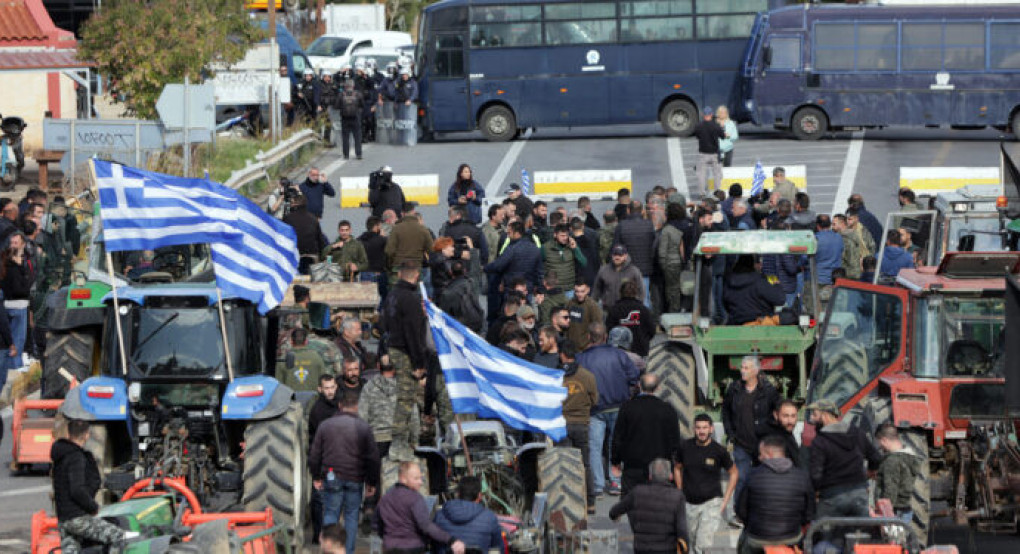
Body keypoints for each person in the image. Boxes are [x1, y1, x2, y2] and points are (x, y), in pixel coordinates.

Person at [310, 393, 380, 554]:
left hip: (331, 476)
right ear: (358, 406)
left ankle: (329, 551)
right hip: (355, 478)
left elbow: (315, 455)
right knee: (351, 516)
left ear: (340, 405)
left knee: (330, 514)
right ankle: (347, 552)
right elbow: (373, 458)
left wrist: (316, 476)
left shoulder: (325, 425)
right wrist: (371, 482)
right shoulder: (363, 427)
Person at [577, 323, 639, 497]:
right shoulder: (619, 355)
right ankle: (615, 481)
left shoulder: (581, 358)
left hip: (595, 409)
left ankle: (597, 485)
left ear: (589, 337)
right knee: (616, 446)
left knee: (594, 448)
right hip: (619, 408)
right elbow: (634, 377)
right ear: (605, 337)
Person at [52, 419, 130, 553]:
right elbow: (77, 490)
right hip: (78, 518)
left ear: (69, 433)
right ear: (87, 435)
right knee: (120, 537)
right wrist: (93, 507)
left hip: (64, 519)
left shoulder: (60, 455)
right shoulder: (76, 457)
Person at [736, 435, 815, 554]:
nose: (759, 457)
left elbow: (741, 511)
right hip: (791, 538)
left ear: (769, 454)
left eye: (761, 454)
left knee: (743, 543)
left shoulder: (753, 475)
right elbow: (809, 513)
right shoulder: (801, 476)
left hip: (758, 538)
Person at [721, 356, 780, 513]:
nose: (742, 371)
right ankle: (739, 511)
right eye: (742, 367)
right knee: (741, 478)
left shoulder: (768, 391)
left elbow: (779, 412)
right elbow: (725, 411)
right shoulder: (734, 389)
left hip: (762, 444)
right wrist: (730, 432)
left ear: (756, 370)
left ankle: (762, 509)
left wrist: (771, 432)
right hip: (741, 444)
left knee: (763, 478)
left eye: (746, 368)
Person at [807, 399, 883, 518]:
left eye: (815, 415)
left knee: (822, 532)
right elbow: (876, 458)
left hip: (832, 498)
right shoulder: (857, 433)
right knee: (862, 533)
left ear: (825, 415)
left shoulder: (819, 442)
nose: (811, 419)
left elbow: (815, 476)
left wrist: (816, 492)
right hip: (859, 495)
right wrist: (869, 472)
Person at [676, 414, 737, 554]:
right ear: (694, 429)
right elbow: (677, 468)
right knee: (691, 542)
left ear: (711, 429)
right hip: (689, 503)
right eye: (698, 428)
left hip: (712, 503)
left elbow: (734, 473)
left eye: (705, 428)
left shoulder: (719, 451)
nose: (701, 431)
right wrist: (680, 491)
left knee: (702, 544)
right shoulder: (685, 447)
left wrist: (725, 501)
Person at [611, 374, 681, 495]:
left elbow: (618, 437)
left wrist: (616, 460)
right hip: (660, 466)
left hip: (633, 465)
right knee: (658, 500)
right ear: (658, 388)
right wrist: (675, 465)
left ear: (639, 386)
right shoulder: (667, 409)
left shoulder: (628, 407)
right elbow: (675, 440)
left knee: (631, 501)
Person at [375, 461, 467, 554]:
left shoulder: (385, 498)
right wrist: (451, 540)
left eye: (420, 478)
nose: (420, 482)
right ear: (403, 478)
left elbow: (377, 524)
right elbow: (426, 526)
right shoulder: (415, 498)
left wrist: (389, 538)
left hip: (390, 547)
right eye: (416, 478)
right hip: (413, 547)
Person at [609, 458, 690, 554]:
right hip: (667, 549)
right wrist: (685, 549)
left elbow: (614, 512)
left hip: (642, 549)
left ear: (650, 476)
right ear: (670, 476)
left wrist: (615, 516)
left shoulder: (637, 492)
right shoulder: (677, 497)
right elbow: (682, 529)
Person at [556, 342, 598, 513]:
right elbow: (595, 400)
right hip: (582, 424)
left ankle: (567, 501)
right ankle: (590, 502)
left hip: (562, 424)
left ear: (563, 356)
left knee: (564, 464)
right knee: (585, 464)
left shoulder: (557, 376)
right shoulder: (588, 376)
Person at [433, 476, 503, 552]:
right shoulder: (490, 518)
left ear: (458, 494)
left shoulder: (439, 516)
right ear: (479, 496)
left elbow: (433, 544)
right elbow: (498, 547)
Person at [875, 423, 919, 524]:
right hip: (905, 510)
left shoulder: (892, 461)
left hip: (894, 513)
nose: (880, 446)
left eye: (879, 442)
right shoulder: (910, 457)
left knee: (891, 539)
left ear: (884, 440)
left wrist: (882, 513)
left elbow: (890, 491)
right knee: (902, 538)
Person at [723, 255, 785, 325]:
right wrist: (776, 284)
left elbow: (726, 304)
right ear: (755, 264)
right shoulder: (759, 281)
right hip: (759, 324)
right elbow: (780, 299)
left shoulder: (729, 282)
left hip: (736, 323)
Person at [613, 202, 656, 305]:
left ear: (628, 210)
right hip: (645, 268)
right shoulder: (649, 225)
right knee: (644, 298)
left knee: (625, 297)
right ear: (642, 211)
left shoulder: (621, 226)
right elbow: (654, 245)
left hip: (626, 268)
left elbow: (615, 248)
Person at [360, 359, 403, 459]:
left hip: (376, 438)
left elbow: (362, 415)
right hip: (399, 438)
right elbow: (412, 414)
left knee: (377, 471)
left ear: (378, 366)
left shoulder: (369, 387)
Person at [484, 220, 543, 292]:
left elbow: (498, 265)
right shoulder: (535, 248)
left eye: (509, 233)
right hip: (528, 288)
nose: (508, 236)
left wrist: (485, 268)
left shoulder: (512, 248)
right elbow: (539, 272)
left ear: (517, 233)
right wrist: (539, 289)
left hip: (513, 287)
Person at [385, 203, 433, 283]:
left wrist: (391, 266)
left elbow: (389, 251)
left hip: (398, 268)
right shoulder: (423, 229)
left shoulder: (396, 229)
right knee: (414, 293)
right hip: (416, 268)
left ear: (402, 213)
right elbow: (431, 250)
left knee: (396, 293)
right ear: (414, 212)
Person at [606, 280, 656, 357]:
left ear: (620, 293)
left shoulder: (614, 310)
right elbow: (652, 330)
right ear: (636, 293)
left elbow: (609, 331)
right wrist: (643, 340)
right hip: (640, 352)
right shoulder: (644, 310)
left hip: (619, 353)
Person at [593, 245, 644, 314]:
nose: (617, 257)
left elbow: (641, 291)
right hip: (608, 310)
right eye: (615, 254)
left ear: (625, 256)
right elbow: (596, 290)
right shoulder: (603, 270)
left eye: (620, 255)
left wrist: (637, 307)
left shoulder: (634, 271)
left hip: (627, 311)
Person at [283, 195, 326, 275]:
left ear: (294, 204)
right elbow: (320, 240)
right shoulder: (313, 218)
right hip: (312, 255)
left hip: (294, 255)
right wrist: (322, 256)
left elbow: (283, 239)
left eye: (291, 203)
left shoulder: (287, 219)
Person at [438, 261, 484, 333]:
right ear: (464, 271)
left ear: (451, 272)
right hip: (475, 323)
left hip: (459, 327)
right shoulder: (472, 284)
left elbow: (443, 315)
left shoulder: (448, 293)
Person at [754, 399, 802, 467]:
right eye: (785, 416)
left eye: (793, 416)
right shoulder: (769, 437)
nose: (790, 421)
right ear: (776, 415)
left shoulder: (785, 431)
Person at [277, 328, 327, 392]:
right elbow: (324, 381)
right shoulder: (317, 358)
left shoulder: (282, 360)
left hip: (290, 400)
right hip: (313, 400)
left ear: (291, 341)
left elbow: (278, 385)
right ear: (306, 341)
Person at [564, 281, 602, 352]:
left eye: (582, 291)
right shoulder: (570, 303)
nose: (579, 294)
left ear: (588, 290)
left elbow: (598, 327)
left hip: (585, 348)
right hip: (570, 347)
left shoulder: (592, 306)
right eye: (577, 291)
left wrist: (592, 344)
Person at [694, 107, 725, 192]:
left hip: (702, 153)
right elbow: (722, 136)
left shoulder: (699, 126)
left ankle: (702, 193)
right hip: (714, 153)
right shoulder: (716, 125)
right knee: (717, 174)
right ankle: (717, 192)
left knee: (701, 175)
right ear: (711, 114)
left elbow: (697, 136)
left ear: (703, 115)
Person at [337, 80, 365, 160]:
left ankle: (346, 155)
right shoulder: (358, 94)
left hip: (344, 118)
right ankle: (358, 154)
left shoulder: (341, 94)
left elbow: (336, 105)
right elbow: (362, 105)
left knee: (345, 137)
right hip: (355, 118)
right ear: (353, 86)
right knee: (357, 137)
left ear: (345, 86)